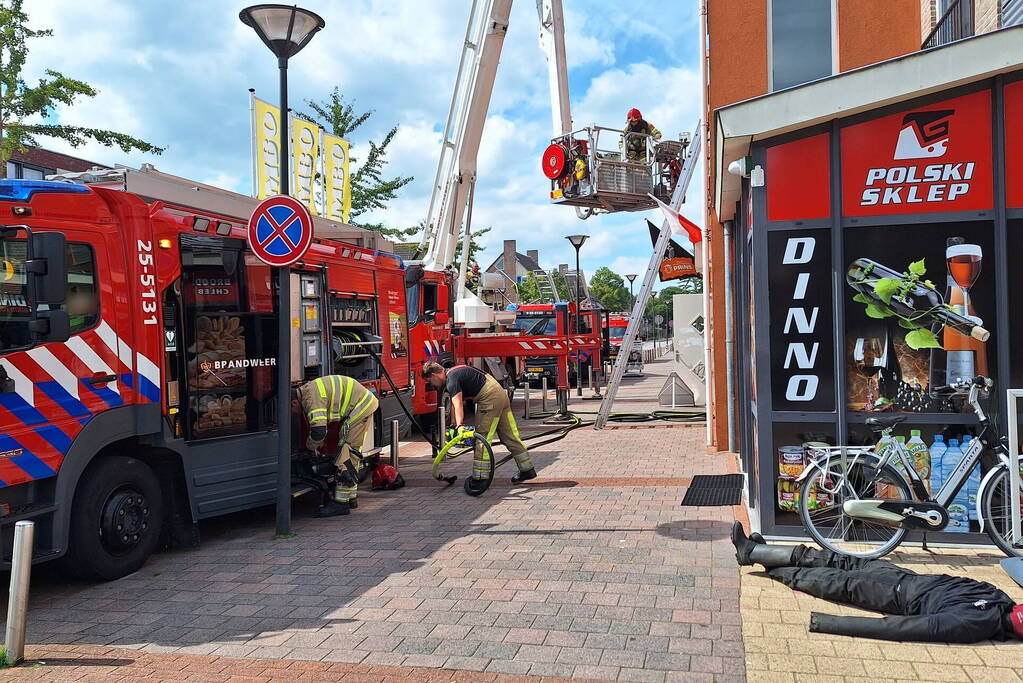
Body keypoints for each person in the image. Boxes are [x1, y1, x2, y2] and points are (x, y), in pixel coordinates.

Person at [731, 521, 1023, 643]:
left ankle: (758, 556)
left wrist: (826, 623)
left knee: (830, 580)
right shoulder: (1000, 601)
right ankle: (764, 553)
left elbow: (902, 628)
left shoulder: (976, 623)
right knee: (840, 560)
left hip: (896, 596)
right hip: (906, 579)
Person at [421, 362, 534, 495]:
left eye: (430, 381)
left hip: (489, 399)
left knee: (482, 439)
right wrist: (454, 422)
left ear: (434, 375)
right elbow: (454, 403)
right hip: (500, 394)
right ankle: (527, 469)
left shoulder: (451, 379)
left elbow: (458, 404)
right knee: (510, 436)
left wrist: (459, 427)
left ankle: (480, 479)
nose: (432, 385)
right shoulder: (454, 372)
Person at [293, 374, 379, 516]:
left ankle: (341, 504)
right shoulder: (309, 391)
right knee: (353, 453)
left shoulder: (310, 399)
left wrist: (310, 447)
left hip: (360, 407)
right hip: (362, 405)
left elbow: (319, 431)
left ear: (294, 403)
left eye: (293, 411)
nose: (295, 414)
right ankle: (351, 497)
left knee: (345, 455)